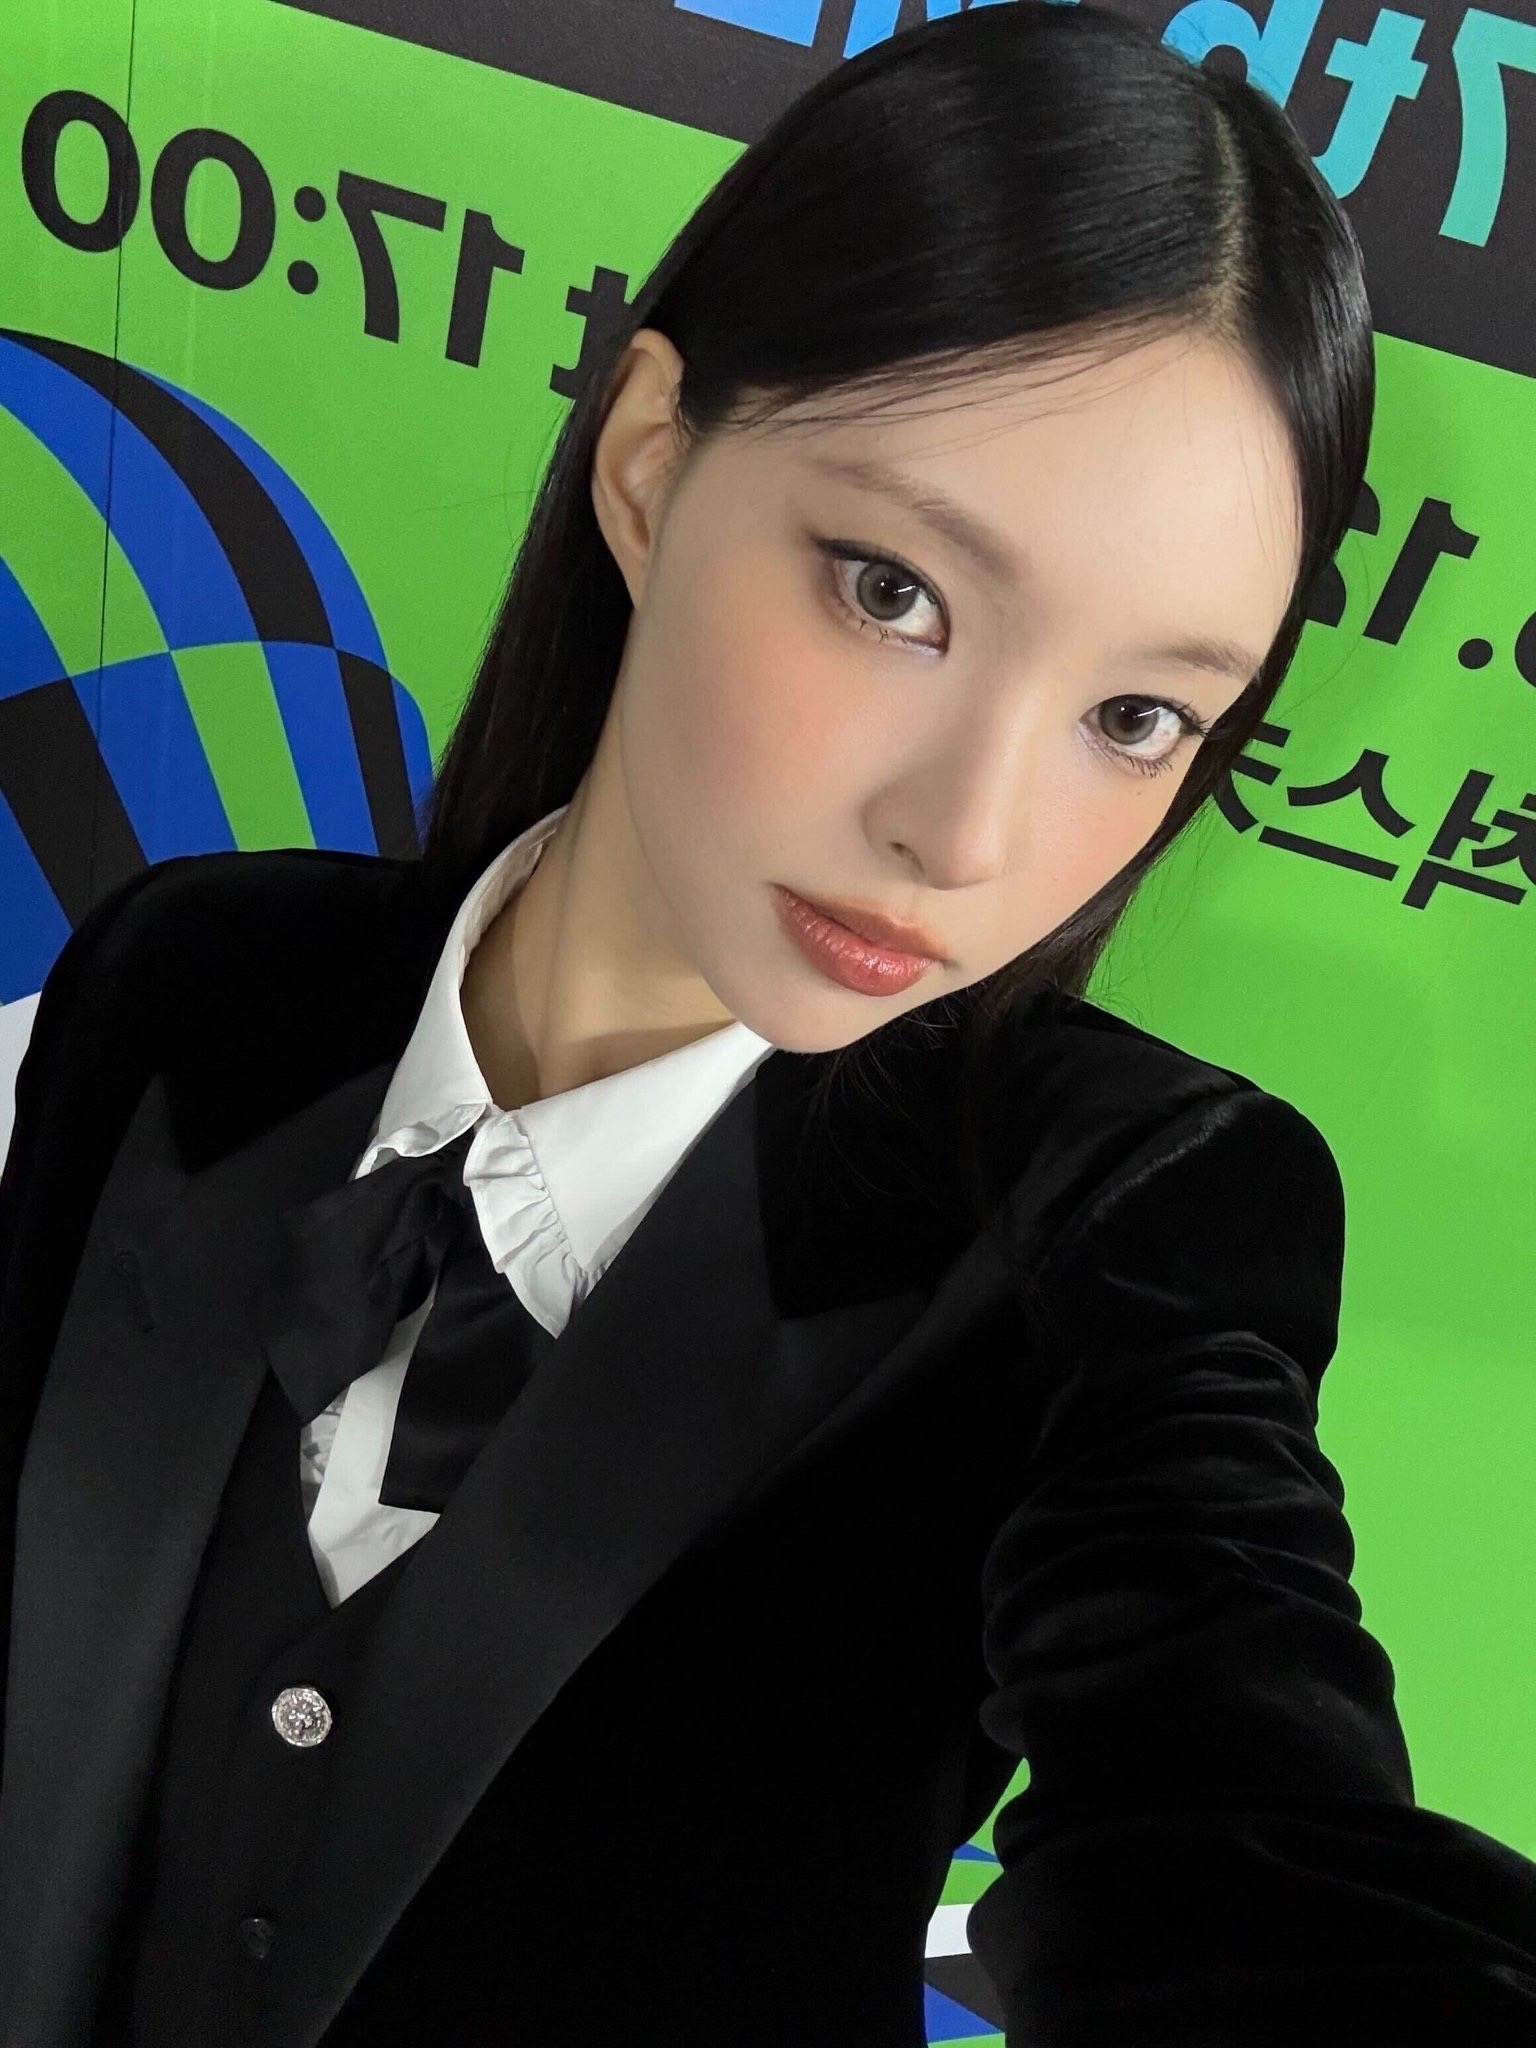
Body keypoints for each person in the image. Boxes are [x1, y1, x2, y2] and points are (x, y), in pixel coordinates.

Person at [1, 5, 1534, 2044]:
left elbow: (1238, 1811)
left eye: (1137, 715)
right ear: (654, 465)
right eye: (895, 591)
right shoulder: (190, 984)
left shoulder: (1122, 1222)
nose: (965, 835)